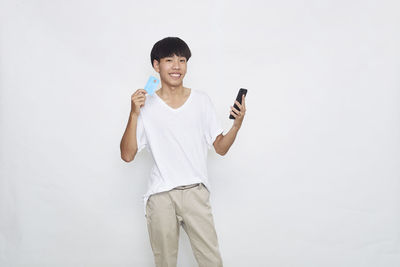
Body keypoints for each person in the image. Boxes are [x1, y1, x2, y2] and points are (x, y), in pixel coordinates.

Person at [120, 37, 246, 267]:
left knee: (211, 262)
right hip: (160, 196)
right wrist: (133, 114)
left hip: (195, 193)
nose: (177, 66)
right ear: (156, 66)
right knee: (165, 263)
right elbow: (127, 155)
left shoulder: (201, 101)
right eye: (169, 60)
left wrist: (236, 125)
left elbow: (220, 148)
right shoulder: (145, 106)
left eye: (182, 60)